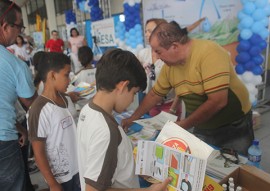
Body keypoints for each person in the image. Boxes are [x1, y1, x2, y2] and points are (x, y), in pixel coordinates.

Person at [123, 21, 254, 156]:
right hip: (202, 124)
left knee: (239, 167)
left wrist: (184, 124)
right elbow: (154, 95)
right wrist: (133, 117)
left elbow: (218, 101)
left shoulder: (209, 52)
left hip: (234, 125)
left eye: (158, 52)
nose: (158, 57)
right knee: (204, 165)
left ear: (174, 46)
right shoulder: (169, 68)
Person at [76, 48, 171, 191]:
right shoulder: (106, 131)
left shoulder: (88, 110)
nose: (133, 99)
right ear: (123, 86)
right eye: (134, 93)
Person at [27, 52, 80, 191]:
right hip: (61, 178)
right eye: (66, 74)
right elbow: (38, 152)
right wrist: (52, 183)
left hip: (78, 167)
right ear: (52, 75)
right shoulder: (38, 110)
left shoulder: (66, 99)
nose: (69, 80)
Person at [0, 0, 37, 190]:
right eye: (19, 26)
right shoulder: (14, 64)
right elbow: (33, 104)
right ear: (5, 26)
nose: (20, 32)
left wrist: (18, 127)